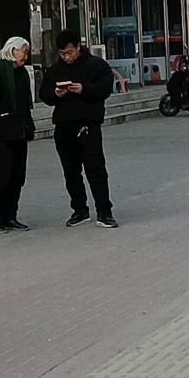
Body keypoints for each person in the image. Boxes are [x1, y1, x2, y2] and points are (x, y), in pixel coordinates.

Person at [40, 29, 117, 228]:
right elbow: (44, 94)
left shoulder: (96, 65)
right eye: (62, 53)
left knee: (95, 169)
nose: (66, 57)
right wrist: (56, 93)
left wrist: (84, 89)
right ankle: (79, 210)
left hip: (88, 124)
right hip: (64, 126)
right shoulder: (55, 69)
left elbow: (105, 88)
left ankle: (104, 211)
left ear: (78, 47)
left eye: (70, 52)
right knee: (70, 171)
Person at [0, 36, 35, 233]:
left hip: (19, 130)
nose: (25, 57)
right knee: (3, 175)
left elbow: (25, 102)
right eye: (23, 52)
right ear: (12, 50)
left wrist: (29, 126)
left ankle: (10, 215)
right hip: (1, 131)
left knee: (18, 176)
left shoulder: (21, 73)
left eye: (27, 53)